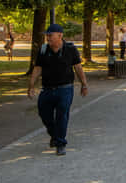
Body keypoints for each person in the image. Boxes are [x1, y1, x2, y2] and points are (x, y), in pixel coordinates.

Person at [27, 24, 88, 156]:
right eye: (47, 35)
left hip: (65, 89)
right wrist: (31, 86)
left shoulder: (70, 49)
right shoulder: (43, 50)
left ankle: (60, 144)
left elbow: (78, 68)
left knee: (62, 115)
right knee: (44, 114)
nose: (48, 38)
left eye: (50, 35)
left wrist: (84, 84)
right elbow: (37, 68)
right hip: (47, 89)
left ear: (60, 35)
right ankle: (55, 135)